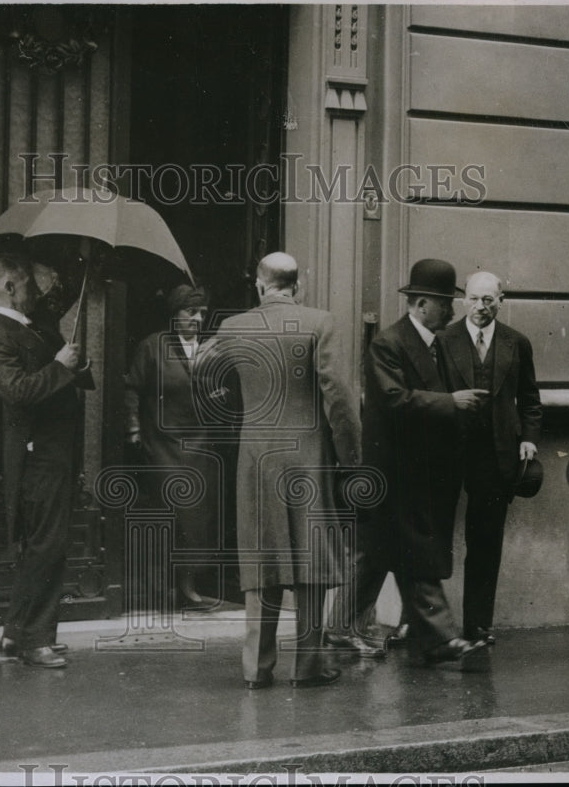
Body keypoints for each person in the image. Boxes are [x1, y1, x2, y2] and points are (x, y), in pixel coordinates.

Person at [216, 252, 360, 689]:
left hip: (256, 457)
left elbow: (210, 387)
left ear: (259, 286)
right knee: (311, 557)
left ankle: (256, 667)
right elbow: (338, 396)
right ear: (298, 285)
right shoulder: (320, 322)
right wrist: (350, 458)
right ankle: (309, 666)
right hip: (308, 456)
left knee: (262, 558)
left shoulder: (231, 328)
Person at [357, 258, 489, 666]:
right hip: (397, 471)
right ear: (419, 304)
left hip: (420, 471)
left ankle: (339, 626)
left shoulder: (434, 343)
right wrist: (451, 402)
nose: (451, 310)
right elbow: (393, 399)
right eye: (443, 303)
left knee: (385, 555)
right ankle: (440, 637)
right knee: (414, 553)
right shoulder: (388, 344)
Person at [0, 252, 94, 668]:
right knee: (46, 545)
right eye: (29, 284)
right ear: (11, 287)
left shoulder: (32, 325)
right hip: (36, 456)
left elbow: (56, 368)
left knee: (42, 546)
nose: (37, 291)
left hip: (53, 453)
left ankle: (15, 634)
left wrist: (74, 367)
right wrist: (61, 368)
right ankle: (35, 640)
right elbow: (19, 392)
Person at [441, 271, 542, 645]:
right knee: (432, 536)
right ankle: (421, 624)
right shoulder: (443, 339)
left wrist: (529, 439)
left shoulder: (518, 343)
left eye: (488, 300)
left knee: (485, 542)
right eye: (473, 299)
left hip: (496, 456)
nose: (480, 308)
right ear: (463, 300)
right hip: (449, 453)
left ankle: (478, 625)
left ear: (501, 300)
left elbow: (530, 399)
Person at [124, 284, 221, 609]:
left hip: (200, 445)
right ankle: (158, 590)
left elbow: (220, 393)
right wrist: (134, 428)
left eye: (202, 314)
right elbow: (132, 389)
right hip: (163, 444)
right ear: (174, 314)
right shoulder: (153, 346)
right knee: (170, 513)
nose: (197, 319)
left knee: (196, 518)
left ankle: (188, 587)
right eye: (190, 312)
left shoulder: (210, 350)